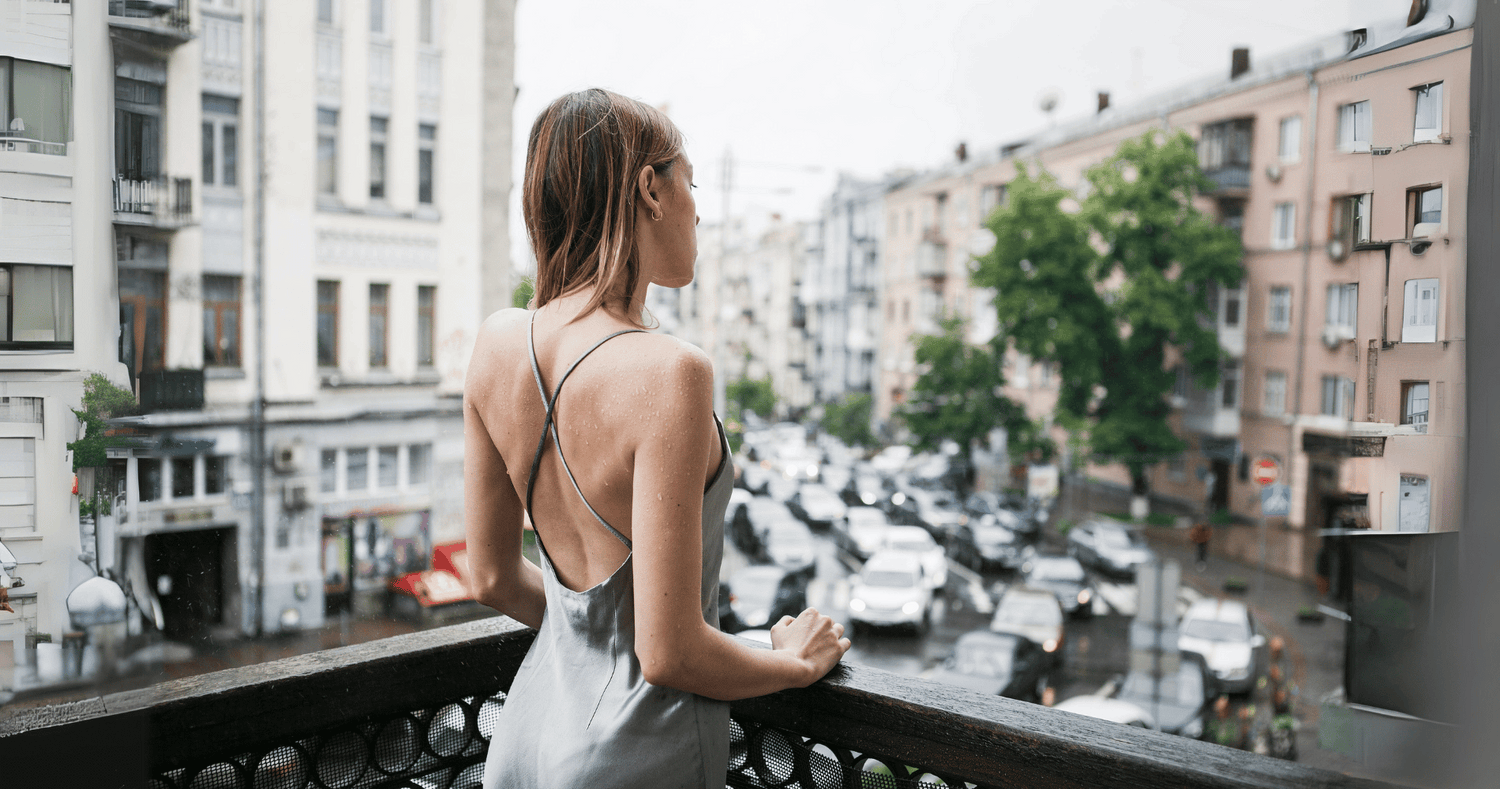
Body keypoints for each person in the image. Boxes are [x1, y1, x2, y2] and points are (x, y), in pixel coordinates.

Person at [463, 89, 850, 789]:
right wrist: (793, 662)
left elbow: (490, 577)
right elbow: (670, 654)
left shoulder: (497, 343)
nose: (697, 211)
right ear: (649, 188)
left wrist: (594, 636)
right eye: (690, 185)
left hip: (524, 738)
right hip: (635, 753)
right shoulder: (672, 370)